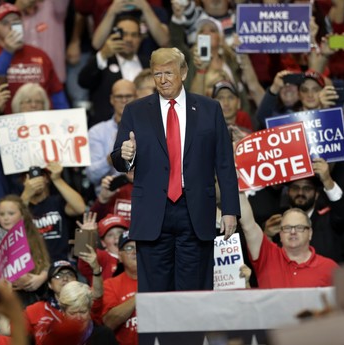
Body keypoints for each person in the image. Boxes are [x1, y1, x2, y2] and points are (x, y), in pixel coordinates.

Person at [111, 47, 240, 292]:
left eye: (168, 73)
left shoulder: (209, 109)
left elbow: (224, 162)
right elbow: (119, 158)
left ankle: (194, 332)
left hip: (196, 211)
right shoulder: (135, 111)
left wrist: (230, 210)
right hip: (152, 213)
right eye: (157, 74)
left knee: (195, 292)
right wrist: (125, 155)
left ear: (183, 72)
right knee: (155, 293)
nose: (163, 80)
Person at [0, 3, 68, 114]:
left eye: (16, 22)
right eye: (5, 23)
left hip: (40, 122)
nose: (11, 27)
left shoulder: (40, 55)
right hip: (4, 123)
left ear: (23, 26)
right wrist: (8, 53)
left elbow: (57, 94)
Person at [238, 193, 339, 288]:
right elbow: (248, 225)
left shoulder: (330, 268)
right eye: (287, 228)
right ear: (280, 234)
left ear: (310, 233)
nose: (293, 232)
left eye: (299, 227)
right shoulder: (267, 255)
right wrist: (235, 183)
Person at [79, 16, 149, 126]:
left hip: (144, 126)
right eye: (124, 34)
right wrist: (103, 55)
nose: (129, 39)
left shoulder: (148, 64)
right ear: (114, 36)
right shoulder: (103, 62)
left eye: (134, 35)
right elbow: (83, 81)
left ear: (140, 38)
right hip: (107, 131)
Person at [25, 258, 104, 345]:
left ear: (76, 280)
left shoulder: (86, 303)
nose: (65, 278)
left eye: (70, 274)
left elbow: (97, 295)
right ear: (49, 284)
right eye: (58, 276)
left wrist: (97, 270)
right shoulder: (33, 311)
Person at [21, 161, 86, 262]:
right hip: (33, 265)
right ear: (24, 181)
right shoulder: (20, 204)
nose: (35, 180)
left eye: (40, 175)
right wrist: (26, 195)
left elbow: (80, 208)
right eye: (29, 177)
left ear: (46, 178)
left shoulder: (57, 202)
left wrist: (57, 179)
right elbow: (13, 226)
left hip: (60, 263)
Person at [85, 79, 137, 194]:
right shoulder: (97, 132)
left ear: (136, 97)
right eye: (119, 97)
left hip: (142, 195)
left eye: (128, 96)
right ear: (112, 99)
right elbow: (91, 176)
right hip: (108, 198)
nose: (124, 100)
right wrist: (111, 159)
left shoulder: (148, 128)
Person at [101, 232, 138, 345]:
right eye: (128, 248)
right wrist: (138, 297)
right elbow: (108, 324)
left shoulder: (162, 280)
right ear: (120, 256)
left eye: (139, 247)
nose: (135, 252)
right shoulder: (109, 285)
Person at [78, 213, 129, 283]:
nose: (116, 238)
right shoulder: (101, 257)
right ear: (103, 242)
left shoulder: (138, 255)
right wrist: (86, 236)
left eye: (120, 233)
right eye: (110, 235)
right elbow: (85, 260)